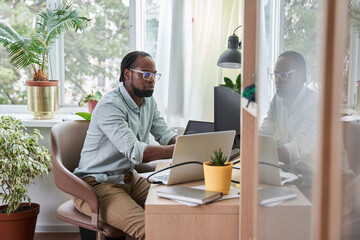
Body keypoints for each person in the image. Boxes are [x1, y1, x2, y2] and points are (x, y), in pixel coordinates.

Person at [73, 51, 177, 240]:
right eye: (146, 74)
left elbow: (165, 135)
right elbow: (135, 152)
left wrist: (190, 144)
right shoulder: (110, 106)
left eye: (154, 74)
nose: (152, 79)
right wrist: (178, 150)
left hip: (128, 179)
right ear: (127, 74)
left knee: (178, 208)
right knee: (151, 230)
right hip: (97, 185)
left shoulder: (148, 102)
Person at [259, 51, 319, 198]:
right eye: (276, 75)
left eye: (284, 75)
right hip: (296, 176)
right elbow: (263, 134)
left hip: (322, 182)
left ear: (299, 75)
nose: (278, 80)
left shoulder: (316, 104)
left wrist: (254, 147)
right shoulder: (277, 101)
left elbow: (294, 152)